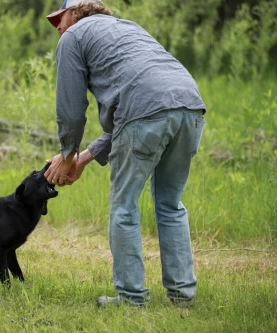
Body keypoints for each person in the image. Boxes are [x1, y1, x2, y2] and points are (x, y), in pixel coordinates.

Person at [44, 0, 206, 307]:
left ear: (76, 12)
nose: (58, 28)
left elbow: (71, 109)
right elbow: (131, 114)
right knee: (171, 205)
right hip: (191, 108)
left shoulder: (73, 38)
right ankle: (183, 296)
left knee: (124, 207)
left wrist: (67, 154)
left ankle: (131, 298)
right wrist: (82, 159)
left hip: (147, 113)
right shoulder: (128, 30)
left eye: (60, 18)